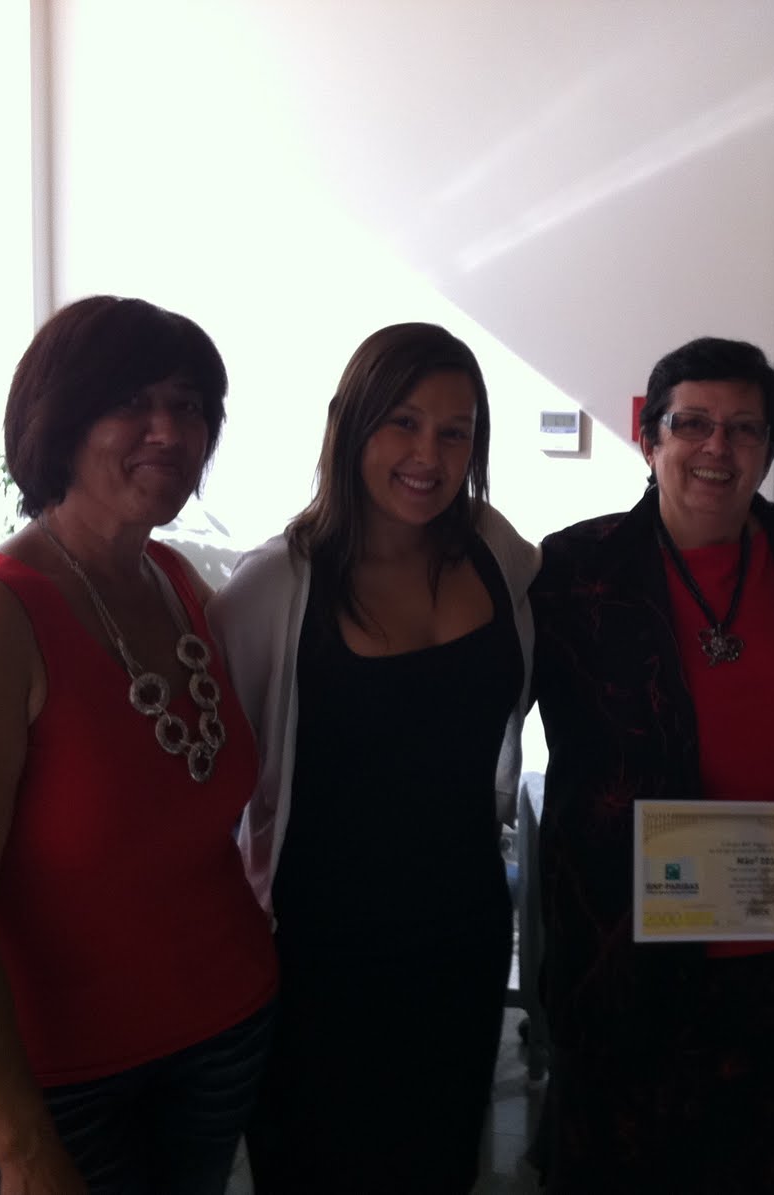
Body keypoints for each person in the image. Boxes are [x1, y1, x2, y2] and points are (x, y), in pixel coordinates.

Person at [0, 296, 278, 1194]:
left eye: (189, 405)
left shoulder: (175, 579)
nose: (168, 429)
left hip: (220, 1033)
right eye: (132, 401)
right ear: (59, 420)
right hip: (58, 1082)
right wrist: (21, 1144)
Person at [530, 337, 774, 1194]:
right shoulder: (574, 567)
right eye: (693, 423)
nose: (718, 446)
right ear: (650, 437)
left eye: (745, 428)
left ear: (770, 448)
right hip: (623, 951)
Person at [208, 322, 537, 1193]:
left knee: (440, 1162)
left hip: (464, 932)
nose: (429, 454)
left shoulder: (497, 556)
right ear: (351, 424)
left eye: (456, 431)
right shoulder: (274, 587)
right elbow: (212, 788)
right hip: (321, 955)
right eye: (403, 422)